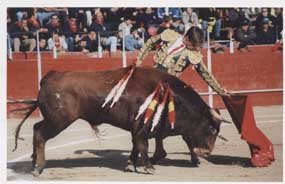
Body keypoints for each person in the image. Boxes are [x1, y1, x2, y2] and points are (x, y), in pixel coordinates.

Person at [135, 26, 230, 164]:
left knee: (182, 117)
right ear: (186, 37)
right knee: (153, 116)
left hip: (171, 86)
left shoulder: (193, 54)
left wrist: (220, 90)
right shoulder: (170, 35)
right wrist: (139, 59)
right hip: (153, 82)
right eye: (193, 44)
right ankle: (159, 150)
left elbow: (205, 74)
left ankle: (191, 151)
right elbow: (151, 42)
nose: (194, 48)